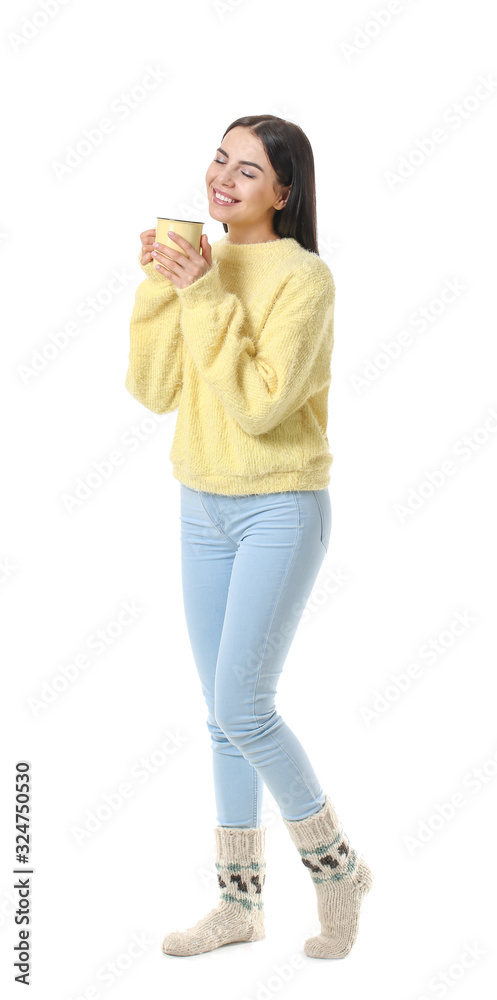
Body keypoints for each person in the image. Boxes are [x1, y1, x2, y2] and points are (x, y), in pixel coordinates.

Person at [125, 115, 373, 960]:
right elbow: (154, 390)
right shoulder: (202, 260)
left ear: (284, 191)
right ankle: (240, 904)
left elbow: (262, 405)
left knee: (243, 707)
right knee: (220, 719)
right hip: (201, 503)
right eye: (218, 160)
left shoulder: (306, 279)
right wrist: (163, 284)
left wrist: (200, 292)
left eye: (247, 171)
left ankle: (335, 868)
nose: (222, 179)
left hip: (279, 506)